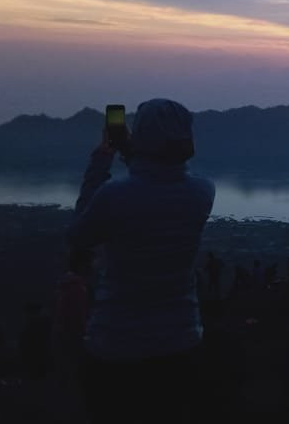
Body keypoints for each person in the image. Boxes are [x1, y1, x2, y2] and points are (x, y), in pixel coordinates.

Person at [67, 98, 215, 424]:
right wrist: (132, 153)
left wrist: (103, 157)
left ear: (143, 137)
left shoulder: (115, 196)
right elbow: (159, 179)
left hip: (117, 344)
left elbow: (79, 235)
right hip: (181, 341)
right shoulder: (203, 192)